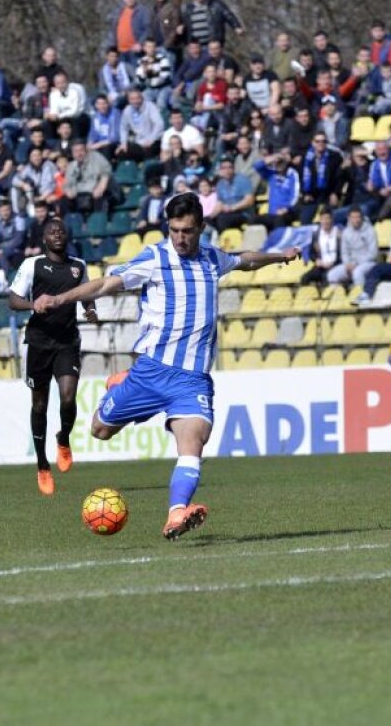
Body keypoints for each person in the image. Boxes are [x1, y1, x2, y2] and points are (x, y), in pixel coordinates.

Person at [32, 193, 297, 540]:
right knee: (100, 430)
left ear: (201, 227)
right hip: (150, 372)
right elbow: (108, 283)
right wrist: (60, 298)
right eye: (174, 230)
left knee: (193, 442)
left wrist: (280, 256)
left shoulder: (211, 258)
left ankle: (176, 514)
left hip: (192, 380)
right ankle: (120, 383)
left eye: (187, 230)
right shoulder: (155, 258)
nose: (181, 238)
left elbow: (243, 260)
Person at [8, 218, 97, 495]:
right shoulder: (33, 264)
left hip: (67, 341)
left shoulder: (78, 266)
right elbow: (12, 299)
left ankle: (64, 438)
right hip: (38, 343)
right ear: (44, 239)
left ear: (67, 236)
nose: (57, 234)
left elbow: (86, 293)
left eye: (61, 231)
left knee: (68, 395)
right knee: (39, 406)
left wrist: (89, 309)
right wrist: (32, 304)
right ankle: (42, 465)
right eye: (51, 232)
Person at [327, 208, 378, 286]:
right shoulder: (346, 232)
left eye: (358, 217)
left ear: (362, 218)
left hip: (368, 263)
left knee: (357, 272)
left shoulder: (370, 231)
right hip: (351, 263)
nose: (356, 220)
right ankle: (338, 295)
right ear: (349, 218)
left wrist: (356, 264)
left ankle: (360, 295)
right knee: (332, 275)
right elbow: (344, 252)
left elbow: (373, 254)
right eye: (353, 217)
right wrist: (347, 264)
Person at [301, 210, 341, 284]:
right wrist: (316, 260)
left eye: (327, 218)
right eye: (323, 219)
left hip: (335, 265)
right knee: (304, 278)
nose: (325, 221)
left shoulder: (339, 234)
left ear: (332, 219)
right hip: (321, 266)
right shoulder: (316, 235)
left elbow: (343, 252)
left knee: (326, 278)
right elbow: (311, 253)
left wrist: (333, 263)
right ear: (320, 220)